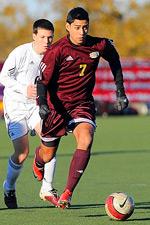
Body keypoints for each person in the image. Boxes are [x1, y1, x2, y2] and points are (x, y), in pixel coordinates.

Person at [33, 7, 129, 209]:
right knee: (47, 154)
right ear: (68, 27)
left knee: (86, 138)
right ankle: (38, 160)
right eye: (77, 27)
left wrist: (120, 91)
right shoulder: (57, 50)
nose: (81, 32)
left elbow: (115, 60)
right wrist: (42, 104)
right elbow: (41, 82)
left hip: (82, 104)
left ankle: (67, 193)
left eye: (85, 27)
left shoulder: (98, 44)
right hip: (55, 106)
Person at [0, 19, 59, 209]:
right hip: (15, 106)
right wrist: (23, 89)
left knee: (50, 142)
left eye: (50, 37)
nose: (46, 41)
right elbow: (3, 77)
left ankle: (47, 189)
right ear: (34, 36)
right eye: (42, 37)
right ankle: (9, 187)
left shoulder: (53, 55)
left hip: (36, 106)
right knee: (22, 153)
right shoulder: (20, 52)